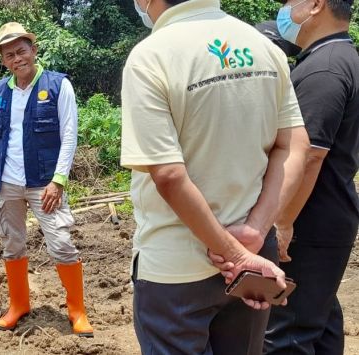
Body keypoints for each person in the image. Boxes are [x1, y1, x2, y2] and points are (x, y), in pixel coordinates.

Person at [121, 0, 310, 354]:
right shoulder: (264, 48)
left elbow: (168, 174)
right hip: (255, 260)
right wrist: (253, 233)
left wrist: (232, 253)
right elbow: (294, 145)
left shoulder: (151, 56)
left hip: (177, 267)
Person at [0, 22, 93, 337]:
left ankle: (77, 310)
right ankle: (19, 305)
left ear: (34, 50)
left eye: (22, 51)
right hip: (7, 184)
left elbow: (69, 136)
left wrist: (59, 181)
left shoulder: (57, 86)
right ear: (3, 60)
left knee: (62, 244)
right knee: (12, 245)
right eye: (10, 54)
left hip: (45, 183)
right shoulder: (0, 91)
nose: (17, 58)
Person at [264, 1, 359, 353]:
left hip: (309, 218)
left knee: (286, 335)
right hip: (329, 212)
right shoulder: (340, 58)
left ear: (316, 5)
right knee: (320, 324)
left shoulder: (325, 69)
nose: (284, 9)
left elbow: (310, 156)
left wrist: (283, 222)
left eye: (290, 2)